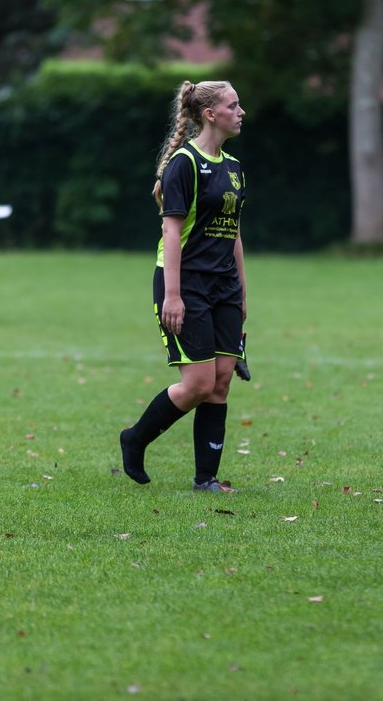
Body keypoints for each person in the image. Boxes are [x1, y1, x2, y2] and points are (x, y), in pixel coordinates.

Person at [118, 80, 248, 493]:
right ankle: (135, 438)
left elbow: (235, 234)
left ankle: (205, 479)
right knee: (198, 384)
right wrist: (172, 295)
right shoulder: (184, 163)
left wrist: (242, 293)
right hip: (185, 284)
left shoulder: (233, 167)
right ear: (211, 114)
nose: (241, 111)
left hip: (224, 285)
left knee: (222, 378)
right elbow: (171, 233)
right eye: (233, 104)